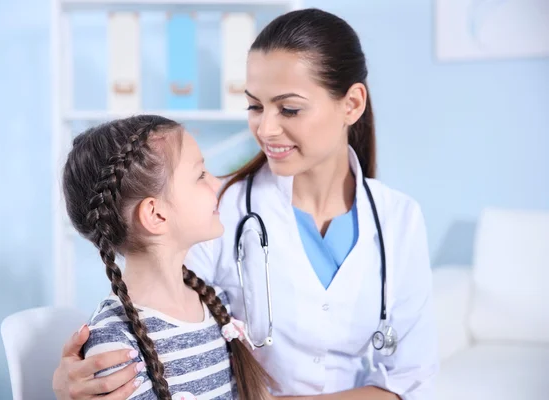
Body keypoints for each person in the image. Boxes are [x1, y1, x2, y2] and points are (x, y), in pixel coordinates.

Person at [53, 8, 438, 400]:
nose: (266, 129)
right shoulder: (218, 211)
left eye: (289, 108)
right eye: (255, 106)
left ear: (352, 104)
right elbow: (153, 317)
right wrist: (76, 379)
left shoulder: (398, 218)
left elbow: (412, 380)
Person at [59, 115, 273, 399]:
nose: (216, 183)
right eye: (200, 175)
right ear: (156, 214)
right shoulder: (115, 345)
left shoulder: (215, 304)